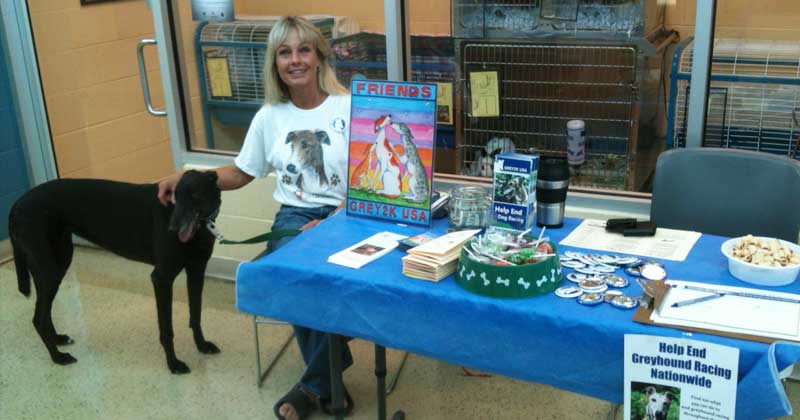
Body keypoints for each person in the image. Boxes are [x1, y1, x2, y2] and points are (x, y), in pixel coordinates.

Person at [157, 16, 353, 420]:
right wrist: (189, 176)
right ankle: (328, 379)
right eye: (284, 52)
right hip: (294, 215)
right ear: (275, 63)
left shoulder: (348, 107)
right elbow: (240, 173)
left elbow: (366, 181)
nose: (294, 60)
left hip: (345, 213)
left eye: (303, 50)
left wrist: (332, 221)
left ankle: (317, 385)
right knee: (289, 269)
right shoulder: (270, 116)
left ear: (318, 57)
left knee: (326, 277)